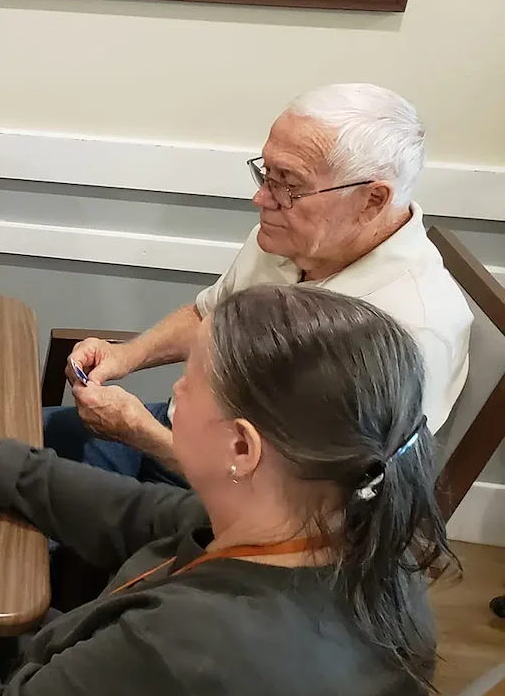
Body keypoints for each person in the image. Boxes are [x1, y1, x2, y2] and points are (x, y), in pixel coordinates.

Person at [0, 285, 451, 696]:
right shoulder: (349, 529)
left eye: (192, 380)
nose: (175, 390)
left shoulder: (180, 648)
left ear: (241, 447)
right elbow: (128, 511)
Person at [49, 83, 470, 485]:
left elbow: (315, 504)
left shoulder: (412, 329)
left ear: (372, 200)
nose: (262, 199)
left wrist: (140, 434)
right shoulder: (292, 235)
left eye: (289, 184)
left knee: (21, 524)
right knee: (7, 448)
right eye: (266, 174)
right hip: (175, 433)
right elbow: (208, 316)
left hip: (241, 513)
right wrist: (125, 356)